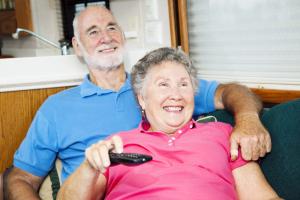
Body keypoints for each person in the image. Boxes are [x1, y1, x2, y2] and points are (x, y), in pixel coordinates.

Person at [5, 6, 271, 200]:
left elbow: (230, 92)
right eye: (93, 31)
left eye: (111, 28)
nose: (106, 37)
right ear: (76, 45)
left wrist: (248, 120)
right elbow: (20, 179)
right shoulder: (56, 109)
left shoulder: (162, 87)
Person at [57, 47, 280, 200]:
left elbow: (262, 196)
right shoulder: (117, 146)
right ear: (142, 99)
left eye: (183, 85)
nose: (176, 95)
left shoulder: (222, 134)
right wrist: (89, 167)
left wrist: (249, 118)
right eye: (163, 85)